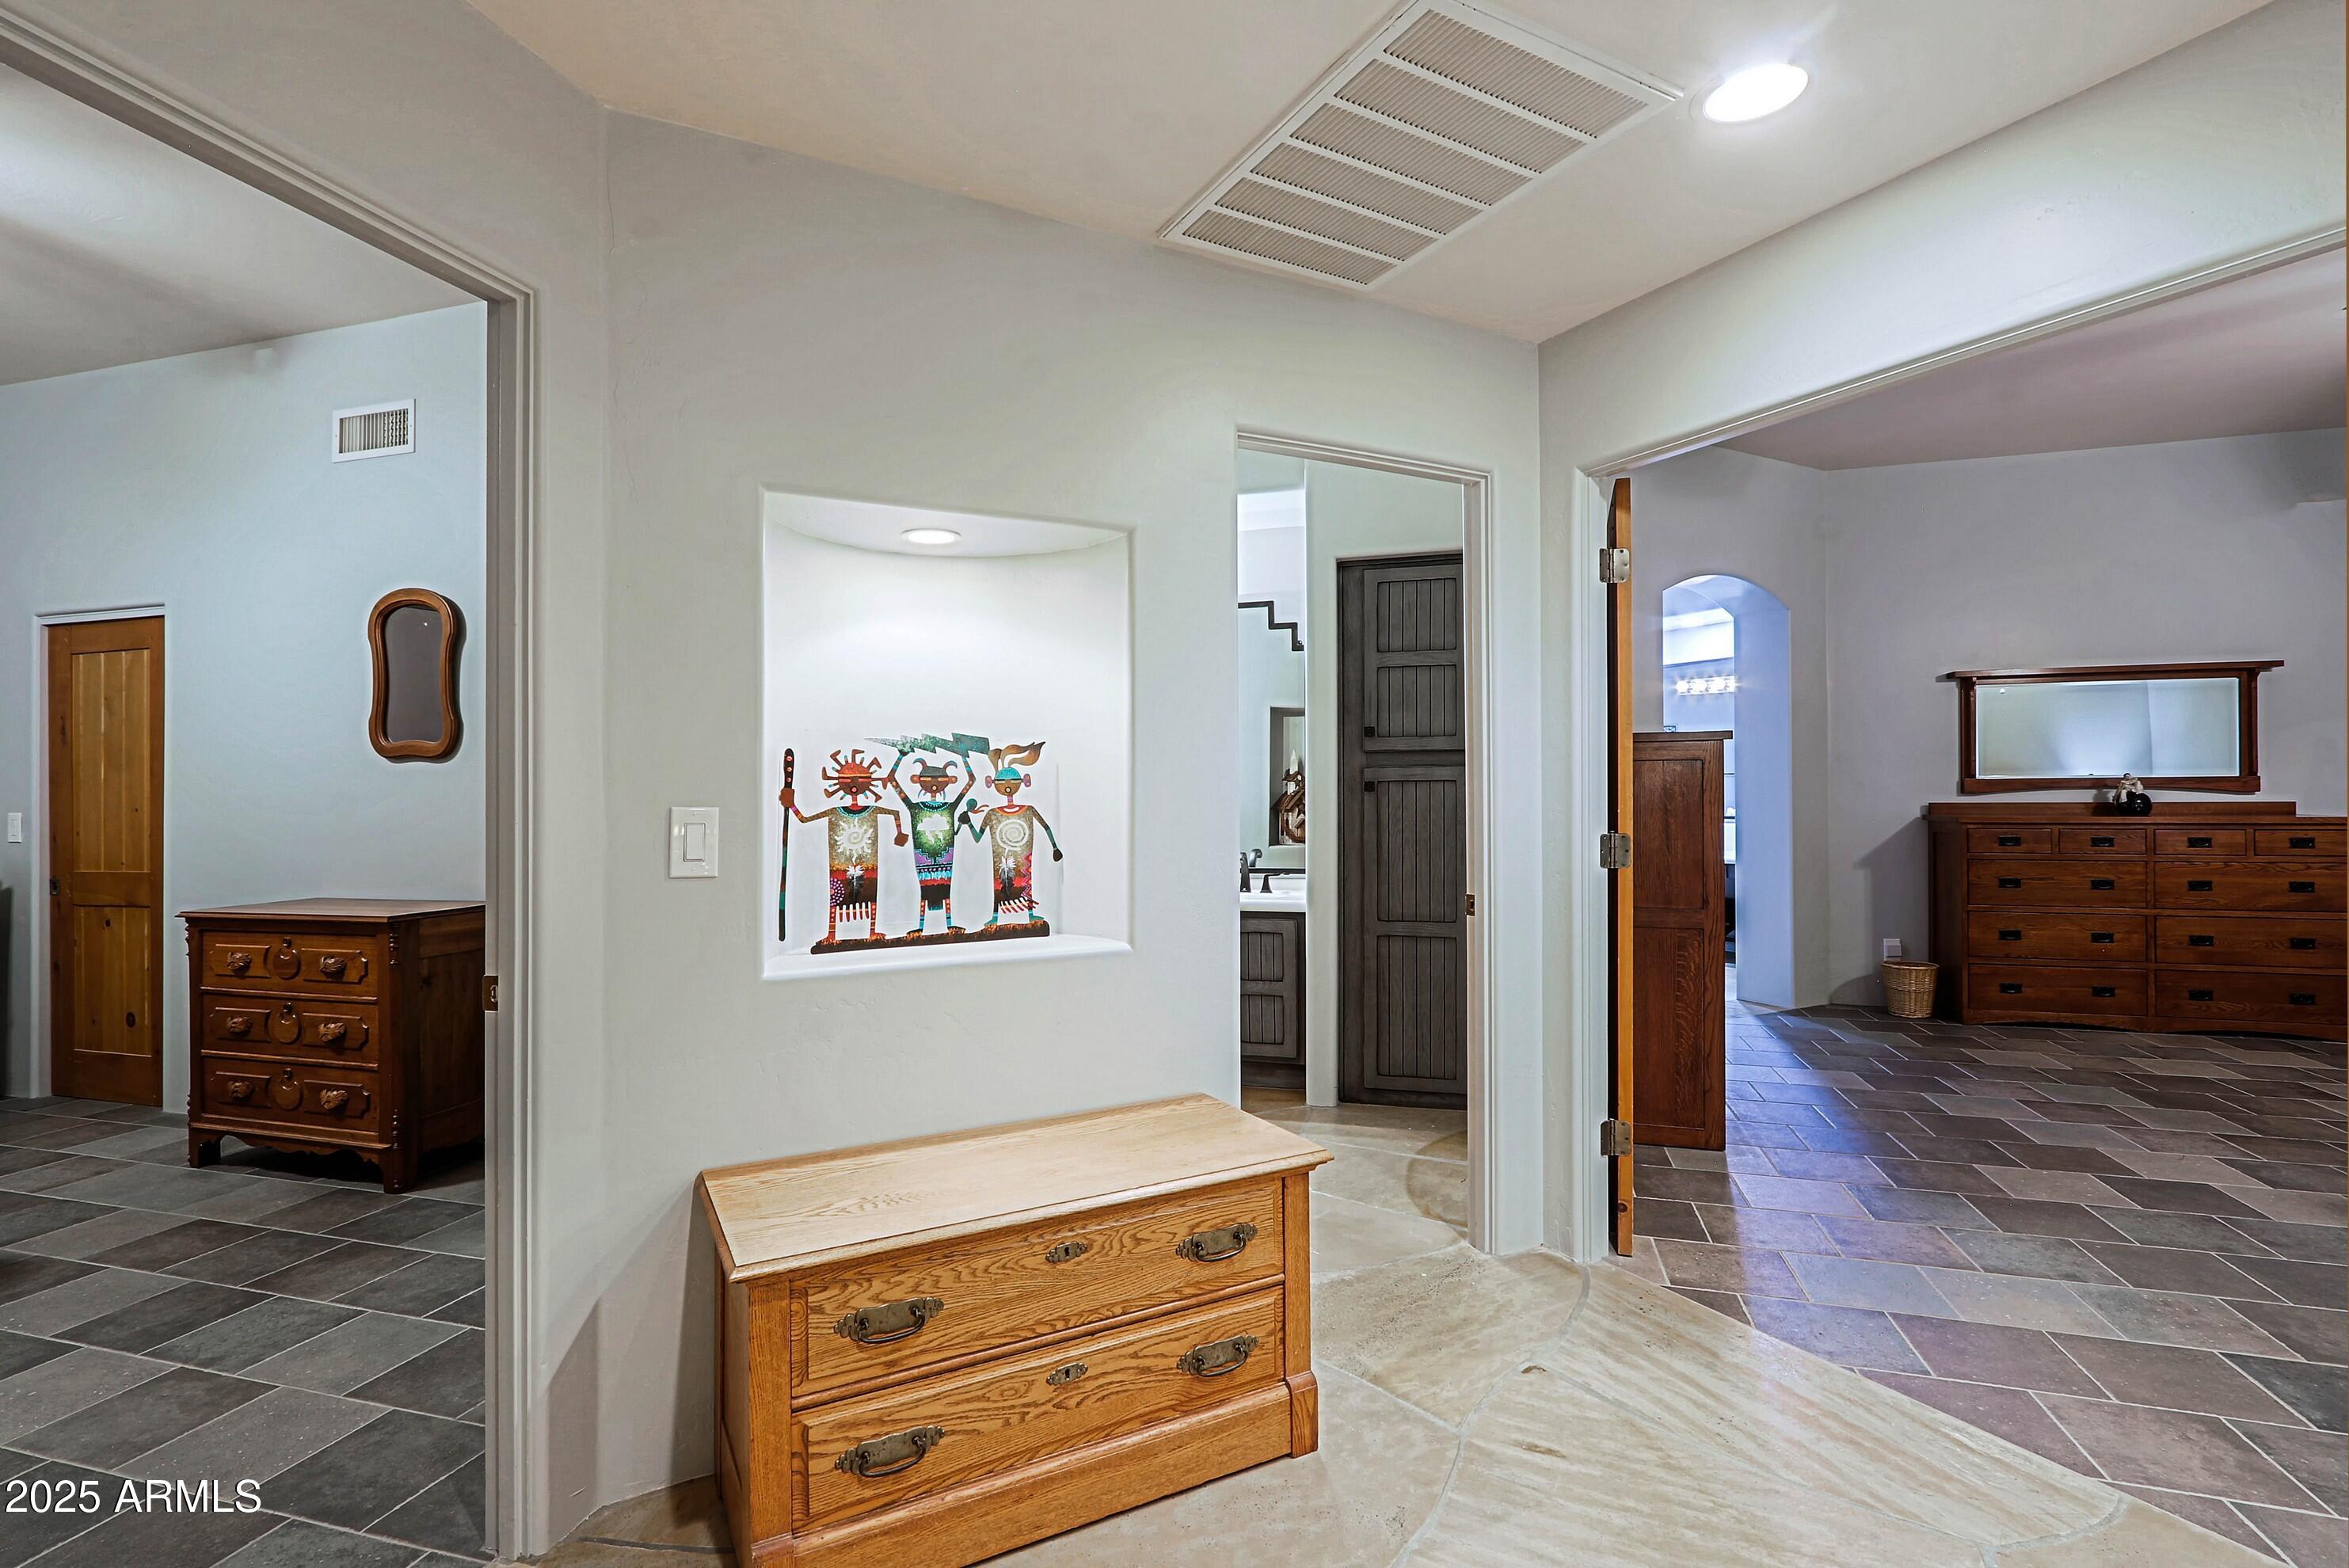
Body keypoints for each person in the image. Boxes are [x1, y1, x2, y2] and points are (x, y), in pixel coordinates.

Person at [781, 748, 908, 945]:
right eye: (848, 779)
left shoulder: (872, 810)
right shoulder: (836, 811)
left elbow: (895, 813)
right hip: (840, 863)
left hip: (867, 862)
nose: (854, 784)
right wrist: (791, 804)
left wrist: (900, 833)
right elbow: (805, 819)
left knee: (869, 893)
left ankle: (871, 931)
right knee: (838, 895)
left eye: (860, 779)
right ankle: (833, 934)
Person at [961, 742, 1063, 928]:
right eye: (1002, 782)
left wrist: (1055, 848)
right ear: (992, 783)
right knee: (1000, 882)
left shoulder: (1028, 810)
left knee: (1026, 877)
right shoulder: (992, 813)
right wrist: (968, 824)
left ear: (1024, 781)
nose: (1008, 786)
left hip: (1023, 856)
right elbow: (978, 837)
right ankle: (996, 915)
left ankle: (1029, 913)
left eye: (1012, 781)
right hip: (1001, 858)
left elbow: (1046, 827)